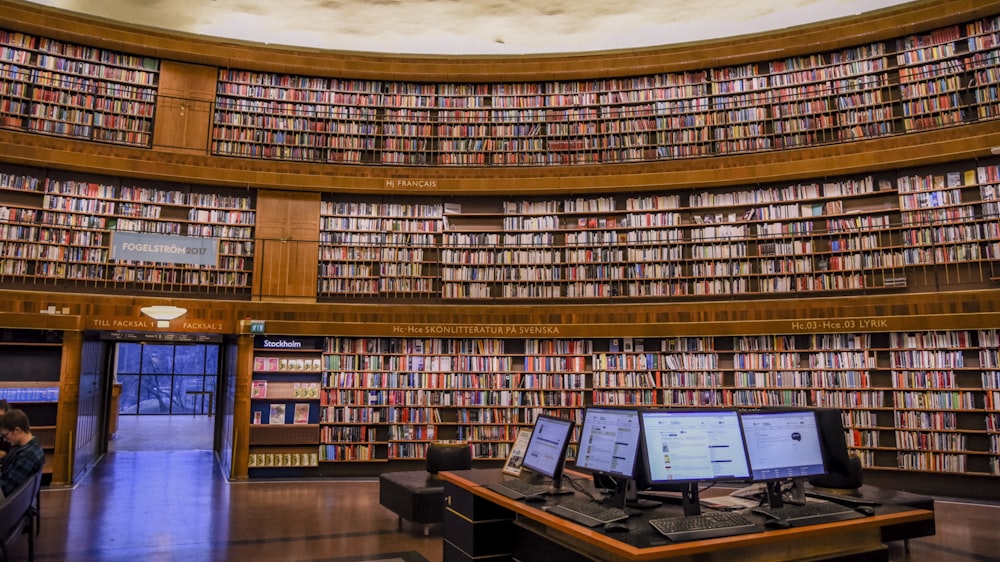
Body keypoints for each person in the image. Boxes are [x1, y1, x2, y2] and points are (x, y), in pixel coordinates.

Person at [0, 408, 45, 497]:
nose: (5, 439)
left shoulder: (28, 456)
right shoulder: (33, 446)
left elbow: (7, 489)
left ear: (17, 430)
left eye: (5, 435)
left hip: (8, 500)